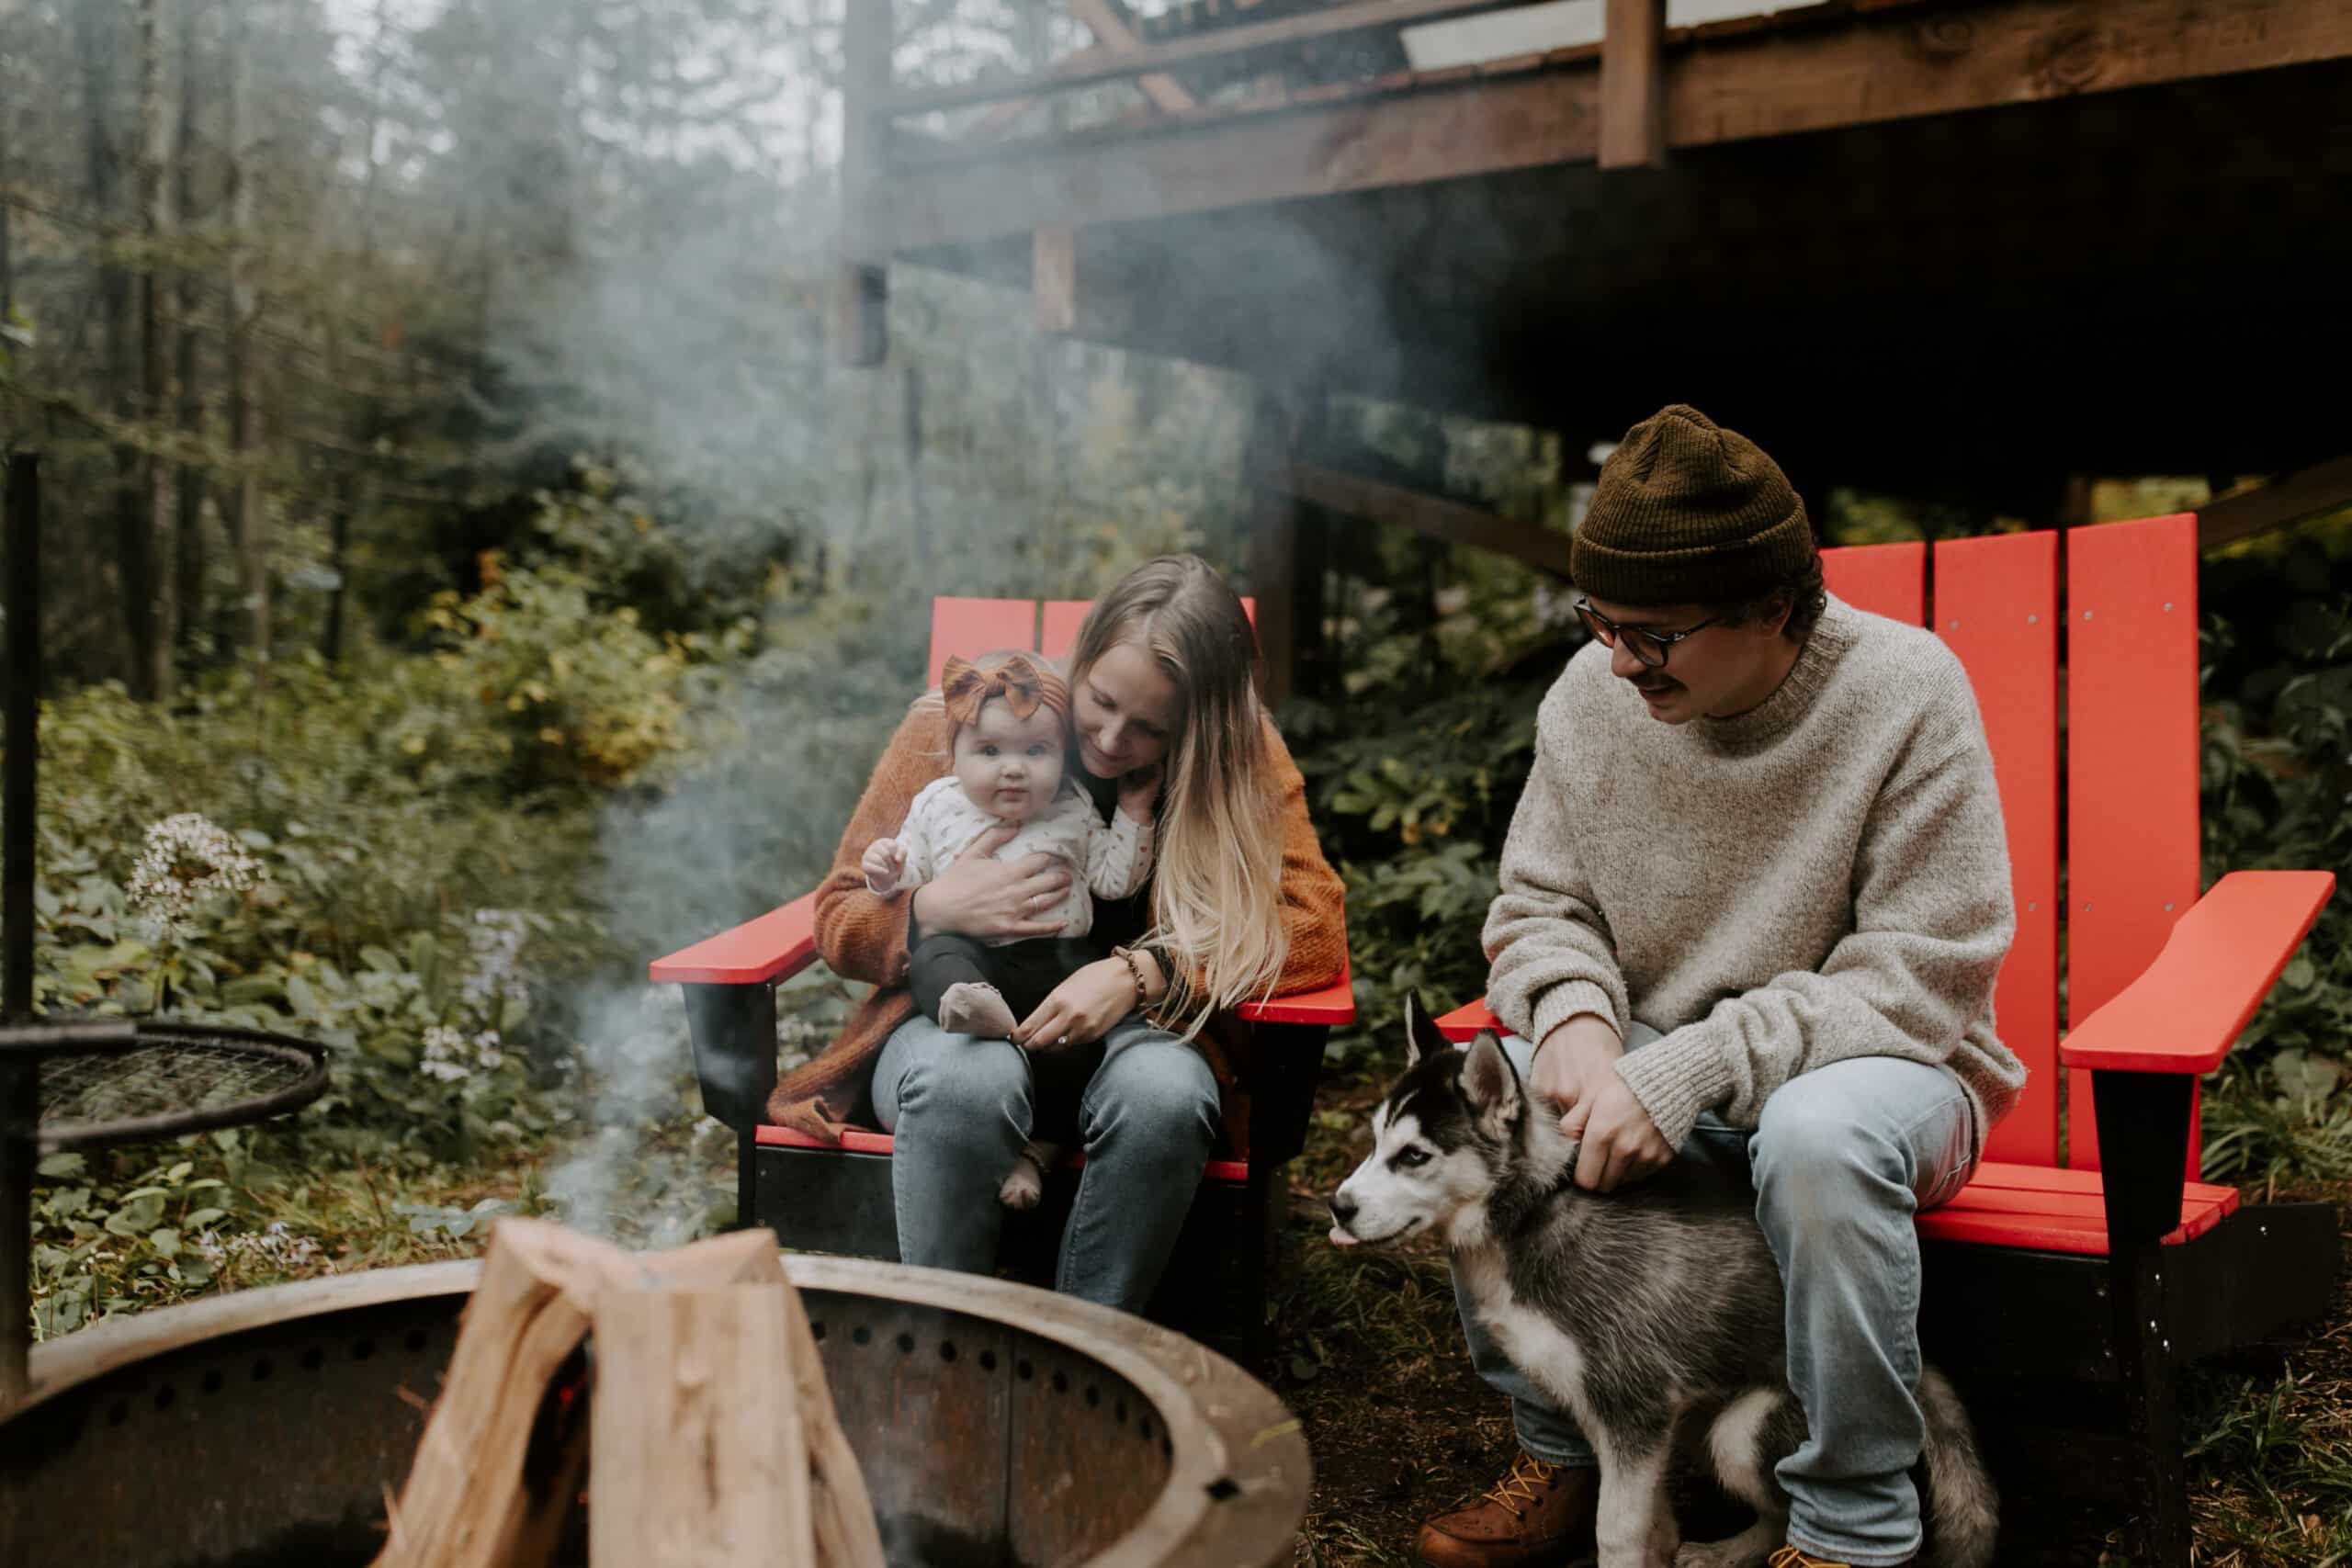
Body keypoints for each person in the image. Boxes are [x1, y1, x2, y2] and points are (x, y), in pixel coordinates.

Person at [1416, 405, 2025, 1568]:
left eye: (1656, 636)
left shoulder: (1905, 691)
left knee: (1813, 1134)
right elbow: (1543, 908)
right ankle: (1561, 1453)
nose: (1618, 661)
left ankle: (1852, 1530)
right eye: (1602, 623)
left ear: (1775, 609)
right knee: (1504, 1097)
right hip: (1649, 1053)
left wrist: (1692, 1066)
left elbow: (1921, 969)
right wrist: (1581, 1027)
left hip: (1885, 1077)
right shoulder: (1590, 699)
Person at [768, 554, 1348, 1314]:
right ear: (1082, 655)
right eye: (1100, 700)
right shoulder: (962, 724)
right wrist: (932, 909)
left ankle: (1090, 1354)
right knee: (964, 1079)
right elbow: (838, 913)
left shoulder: (1242, 760)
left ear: (1199, 724)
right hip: (946, 1022)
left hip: (1137, 1034)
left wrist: (1144, 973)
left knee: (1166, 1096)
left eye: (1151, 728)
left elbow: (1313, 926)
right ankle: (947, 1341)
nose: (1110, 738)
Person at [859, 649, 1159, 1208]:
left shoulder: (1071, 807)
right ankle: (970, 1005)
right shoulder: (936, 804)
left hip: (1059, 967)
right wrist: (886, 870)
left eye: (1036, 751)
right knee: (936, 955)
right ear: (954, 755)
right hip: (973, 959)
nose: (1014, 767)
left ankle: (1036, 1151)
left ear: (1063, 758)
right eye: (989, 751)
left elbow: (1114, 880)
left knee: (1077, 1053)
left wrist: (1134, 814)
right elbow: (907, 876)